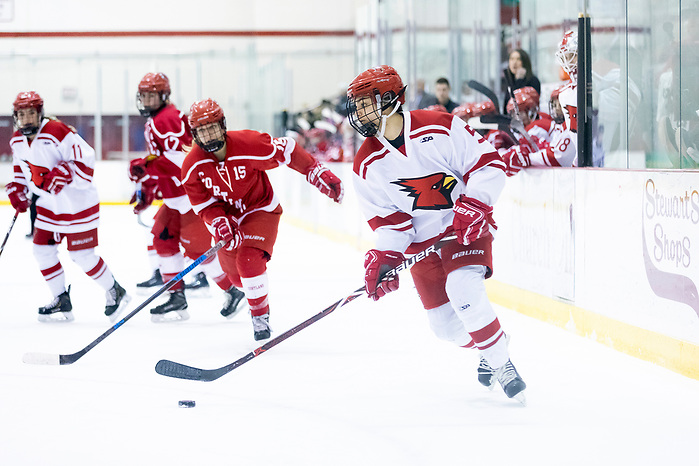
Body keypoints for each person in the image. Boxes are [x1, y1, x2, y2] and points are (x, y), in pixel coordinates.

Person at [345, 65, 527, 403]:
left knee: (463, 289)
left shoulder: (438, 126)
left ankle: (504, 367)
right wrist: (385, 256)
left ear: (389, 100)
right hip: (421, 245)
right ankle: (493, 343)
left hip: (463, 226)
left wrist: (475, 203)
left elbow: (489, 164)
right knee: (444, 327)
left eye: (365, 103)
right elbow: (390, 224)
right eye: (356, 105)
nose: (358, 112)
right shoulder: (366, 163)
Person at [181, 99, 344, 341]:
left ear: (223, 125)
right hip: (228, 219)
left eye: (212, 127)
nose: (208, 134)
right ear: (195, 134)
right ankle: (248, 296)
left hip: (260, 209)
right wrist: (219, 221)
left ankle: (259, 318)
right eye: (202, 130)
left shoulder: (248, 143)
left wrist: (314, 170)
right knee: (237, 278)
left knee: (249, 262)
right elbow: (203, 204)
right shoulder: (192, 166)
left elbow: (288, 149)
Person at [128, 73, 246, 322]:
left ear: (164, 95)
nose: (147, 101)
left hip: (190, 196)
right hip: (174, 197)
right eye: (144, 96)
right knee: (162, 240)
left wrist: (146, 167)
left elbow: (182, 161)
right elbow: (161, 161)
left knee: (199, 250)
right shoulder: (157, 120)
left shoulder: (168, 119)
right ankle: (177, 298)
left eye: (152, 95)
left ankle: (233, 291)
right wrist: (149, 190)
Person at [5, 91, 130, 323]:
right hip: (48, 206)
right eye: (21, 115)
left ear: (39, 113)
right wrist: (17, 188)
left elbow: (87, 158)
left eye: (31, 113)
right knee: (42, 250)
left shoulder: (56, 131)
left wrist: (67, 172)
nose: (26, 119)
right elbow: (20, 168)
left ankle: (115, 290)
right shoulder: (17, 140)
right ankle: (61, 298)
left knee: (81, 255)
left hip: (77, 205)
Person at [497, 86, 577, 175]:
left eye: (519, 113)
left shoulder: (537, 127)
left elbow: (557, 157)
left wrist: (528, 158)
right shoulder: (557, 124)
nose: (557, 109)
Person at [502, 49, 541, 114]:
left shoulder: (533, 80)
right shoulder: (509, 81)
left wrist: (519, 80)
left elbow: (517, 102)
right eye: (512, 59)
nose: (514, 62)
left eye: (518, 59)